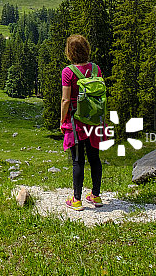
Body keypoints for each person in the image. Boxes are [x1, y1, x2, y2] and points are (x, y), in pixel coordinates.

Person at [61, 34, 103, 211]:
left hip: (76, 121)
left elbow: (65, 100)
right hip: (95, 119)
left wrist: (62, 119)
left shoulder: (68, 72)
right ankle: (96, 195)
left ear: (70, 52)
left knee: (78, 160)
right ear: (86, 48)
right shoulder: (95, 69)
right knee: (94, 158)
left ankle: (76, 200)